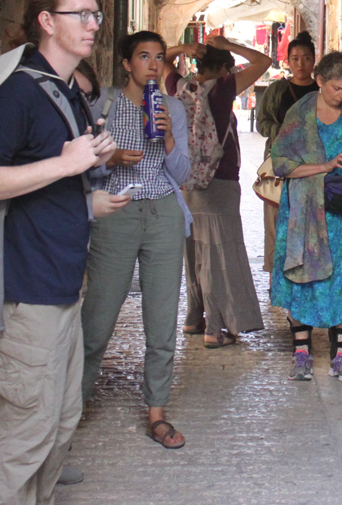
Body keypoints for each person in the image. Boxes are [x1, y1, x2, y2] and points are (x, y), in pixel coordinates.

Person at [0, 0, 124, 503]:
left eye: (95, 14)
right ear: (47, 22)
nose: (93, 25)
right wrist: (65, 162)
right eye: (81, 14)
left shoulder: (66, 92)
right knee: (25, 432)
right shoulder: (16, 93)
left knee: (59, 421)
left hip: (59, 286)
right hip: (25, 289)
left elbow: (49, 180)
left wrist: (85, 190)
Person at [80, 31, 193, 449]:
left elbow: (181, 175)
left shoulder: (173, 108)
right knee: (98, 317)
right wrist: (108, 158)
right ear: (127, 63)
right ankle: (69, 409)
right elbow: (78, 168)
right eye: (143, 56)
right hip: (117, 212)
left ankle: (157, 412)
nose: (152, 65)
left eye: (159, 58)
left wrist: (165, 138)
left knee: (162, 318)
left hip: (162, 212)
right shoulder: (102, 104)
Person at [268, 51, 342, 383]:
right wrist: (323, 168)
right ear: (320, 81)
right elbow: (281, 162)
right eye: (336, 88)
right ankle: (302, 354)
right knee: (304, 280)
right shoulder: (300, 114)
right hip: (306, 214)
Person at [165, 34, 271, 348]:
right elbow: (263, 62)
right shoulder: (223, 88)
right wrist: (231, 46)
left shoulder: (180, 87)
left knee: (194, 252)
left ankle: (192, 318)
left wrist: (181, 48)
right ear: (225, 68)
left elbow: (160, 59)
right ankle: (214, 327)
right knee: (217, 254)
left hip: (185, 181)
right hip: (219, 180)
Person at [256, 31, 318, 272]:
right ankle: (275, 275)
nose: (300, 64)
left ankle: (305, 274)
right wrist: (283, 131)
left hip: (312, 166)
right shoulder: (277, 90)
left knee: (308, 223)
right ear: (288, 61)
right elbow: (262, 123)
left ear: (313, 60)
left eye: (305, 58)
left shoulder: (321, 91)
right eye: (295, 59)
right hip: (278, 166)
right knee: (275, 220)